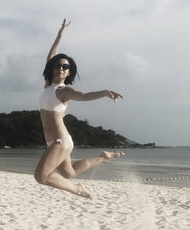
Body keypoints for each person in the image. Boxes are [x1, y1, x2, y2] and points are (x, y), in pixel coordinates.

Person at [34, 19, 124, 199]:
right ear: (52, 69)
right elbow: (50, 55)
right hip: (54, 142)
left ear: (69, 72)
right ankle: (104, 157)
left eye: (65, 66)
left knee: (41, 176)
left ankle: (78, 190)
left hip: (61, 141)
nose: (60, 67)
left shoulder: (65, 91)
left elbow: (83, 96)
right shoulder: (47, 86)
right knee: (69, 172)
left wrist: (104, 92)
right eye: (57, 65)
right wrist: (60, 34)